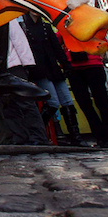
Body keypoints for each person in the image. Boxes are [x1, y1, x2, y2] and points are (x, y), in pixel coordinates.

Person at [20, 11, 81, 145]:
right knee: (53, 102)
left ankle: (75, 137)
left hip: (52, 69)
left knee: (67, 101)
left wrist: (65, 65)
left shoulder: (44, 27)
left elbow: (57, 48)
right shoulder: (25, 28)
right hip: (41, 70)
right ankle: (39, 134)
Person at [0, 20, 51, 145]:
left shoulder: (4, 16)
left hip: (12, 65)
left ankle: (38, 137)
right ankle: (18, 138)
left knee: (25, 102)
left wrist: (27, 63)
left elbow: (18, 38)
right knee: (6, 105)